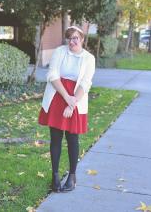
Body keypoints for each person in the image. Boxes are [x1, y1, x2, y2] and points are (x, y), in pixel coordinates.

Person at [38, 26, 95, 192]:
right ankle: (55, 176)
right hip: (58, 95)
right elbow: (52, 75)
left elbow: (86, 83)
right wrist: (66, 98)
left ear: (82, 39)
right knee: (55, 138)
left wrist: (73, 102)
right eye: (70, 38)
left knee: (72, 139)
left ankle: (72, 176)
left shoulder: (89, 58)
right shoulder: (59, 52)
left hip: (76, 98)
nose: (73, 41)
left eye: (76, 38)